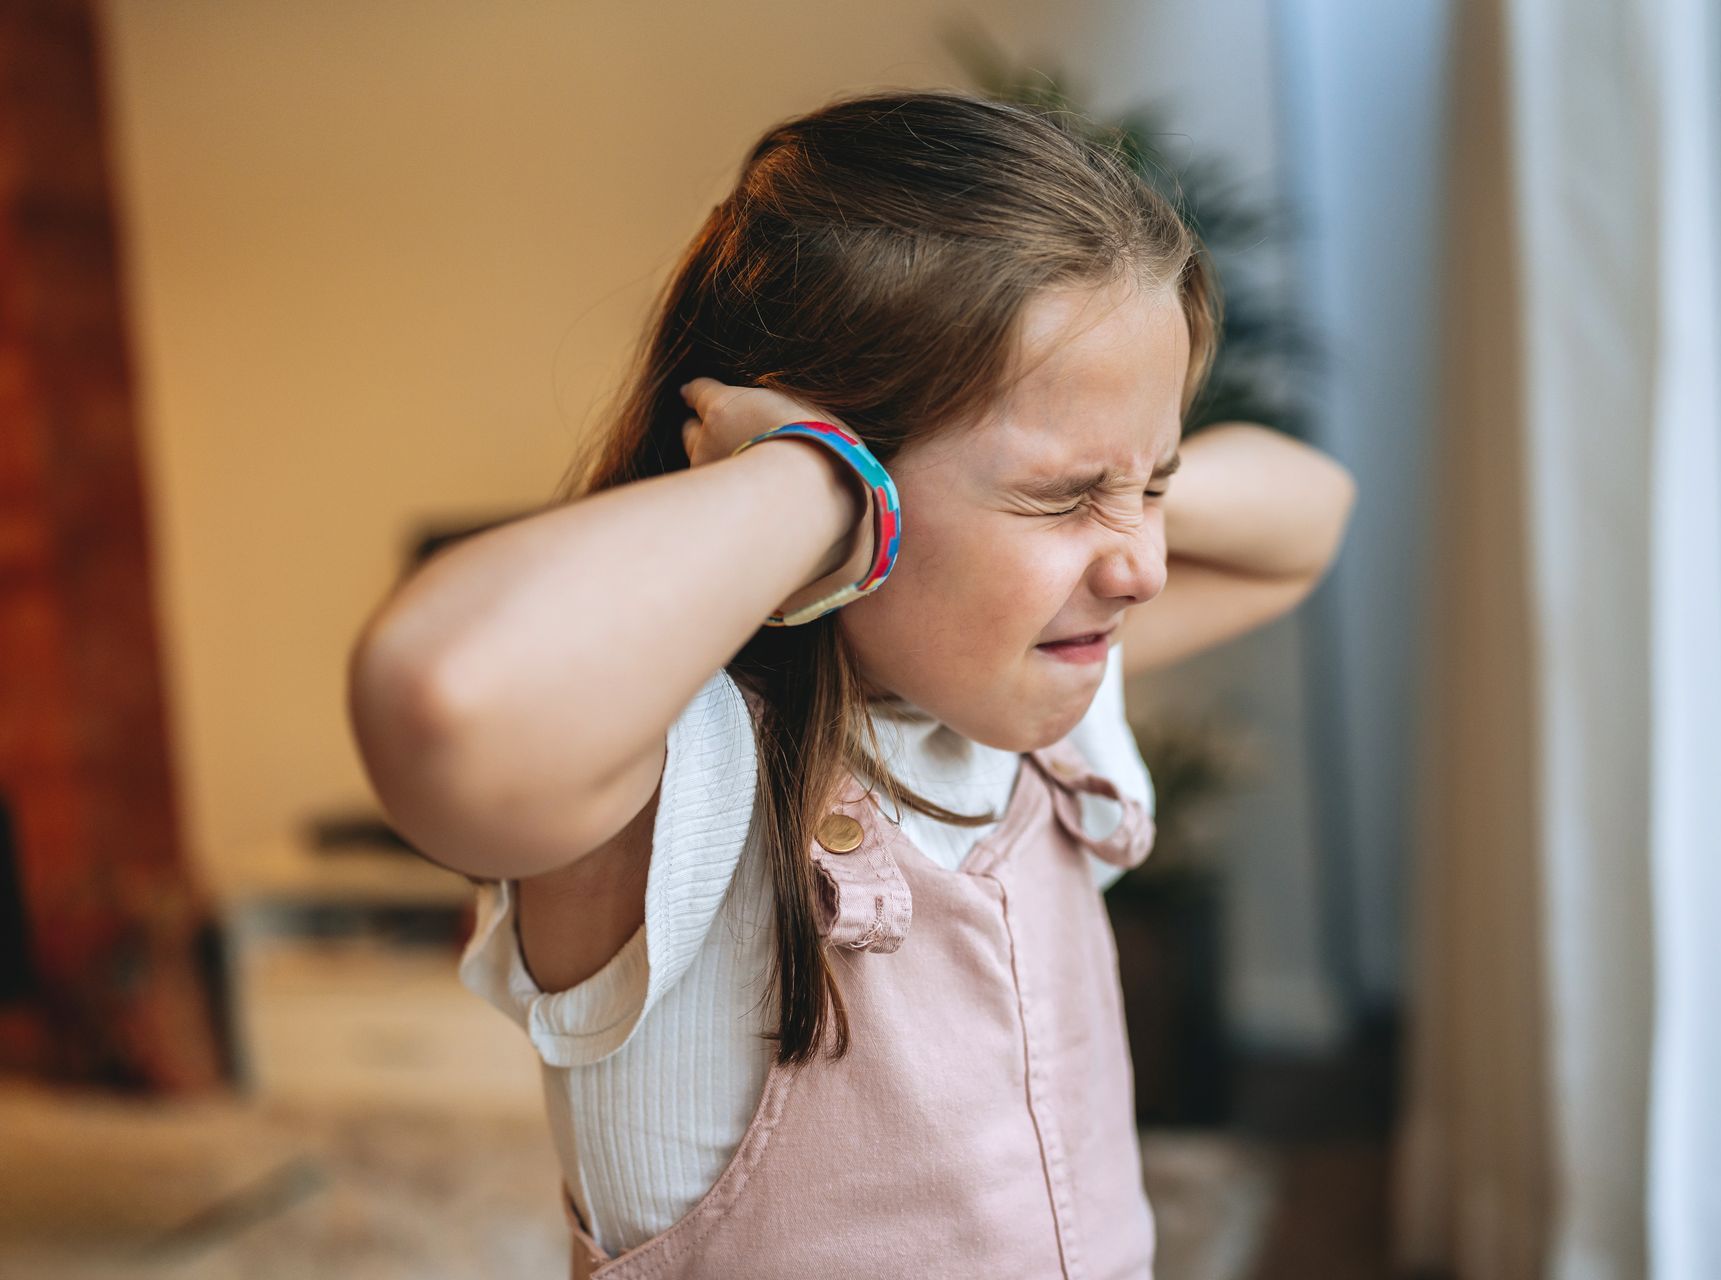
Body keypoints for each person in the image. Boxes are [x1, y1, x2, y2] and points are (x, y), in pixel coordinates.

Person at [346, 87, 1356, 1279]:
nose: (1141, 566)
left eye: (1152, 487)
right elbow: (443, 694)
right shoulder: (681, 780)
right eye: (1057, 494)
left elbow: (1309, 513)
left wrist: (1109, 477)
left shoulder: (1010, 676)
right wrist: (815, 482)